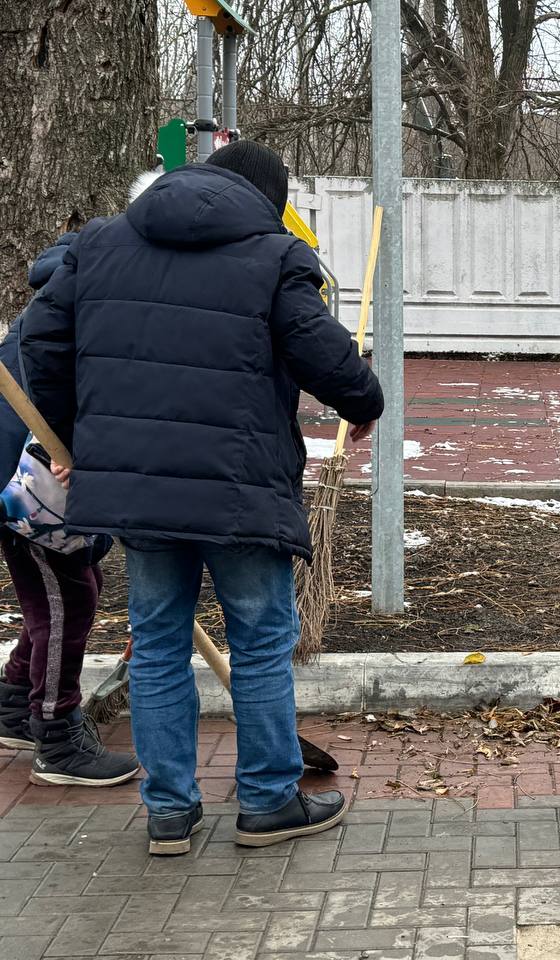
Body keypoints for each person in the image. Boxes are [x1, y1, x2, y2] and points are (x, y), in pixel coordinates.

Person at [21, 140, 384, 853]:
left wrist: (72, 436)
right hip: (241, 485)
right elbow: (323, 350)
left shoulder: (101, 243)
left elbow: (41, 341)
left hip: (142, 486)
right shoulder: (275, 255)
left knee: (157, 643)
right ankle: (268, 803)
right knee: (259, 642)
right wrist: (361, 399)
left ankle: (169, 812)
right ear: (269, 202)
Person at [0, 234, 139, 788]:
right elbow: (66, 391)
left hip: (32, 478)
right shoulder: (78, 314)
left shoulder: (59, 300)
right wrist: (76, 449)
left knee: (70, 589)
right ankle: (56, 735)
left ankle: (15, 701)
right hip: (23, 486)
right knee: (66, 600)